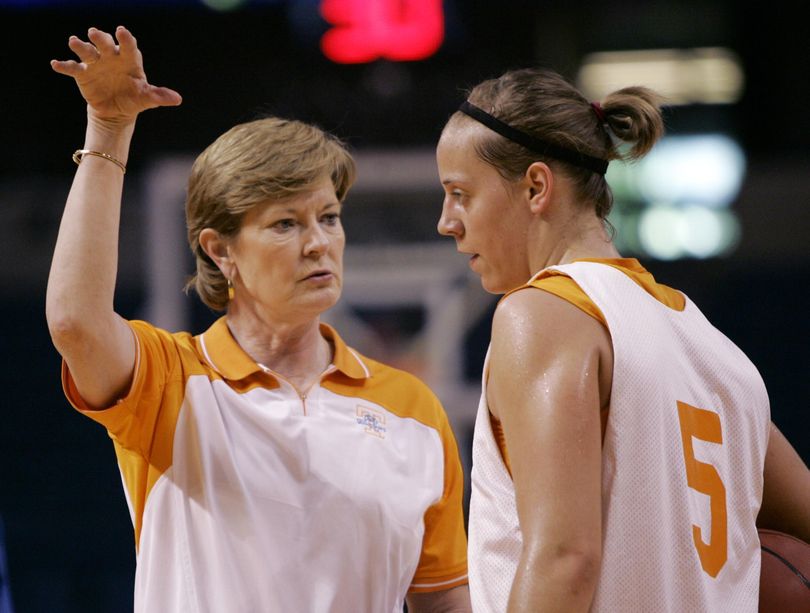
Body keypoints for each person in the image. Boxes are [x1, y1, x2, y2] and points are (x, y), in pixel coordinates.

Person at [46, 26, 470, 613]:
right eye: (285, 224)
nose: (320, 243)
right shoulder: (170, 382)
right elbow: (74, 322)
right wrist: (110, 131)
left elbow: (443, 597)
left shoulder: (413, 409)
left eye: (329, 217)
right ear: (221, 250)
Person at [435, 67, 810, 612]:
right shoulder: (715, 349)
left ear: (536, 187)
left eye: (460, 194)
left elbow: (564, 560)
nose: (447, 221)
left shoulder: (543, 315)